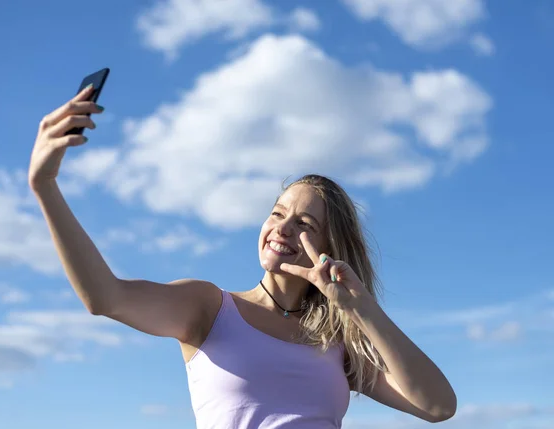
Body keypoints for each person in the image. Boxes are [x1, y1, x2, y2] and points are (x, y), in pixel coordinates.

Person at [29, 85, 457, 428]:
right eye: (277, 213)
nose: (283, 228)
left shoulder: (337, 343)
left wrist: (360, 307)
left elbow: (438, 406)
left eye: (305, 223)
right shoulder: (209, 307)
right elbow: (106, 298)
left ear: (331, 248)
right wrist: (45, 184)